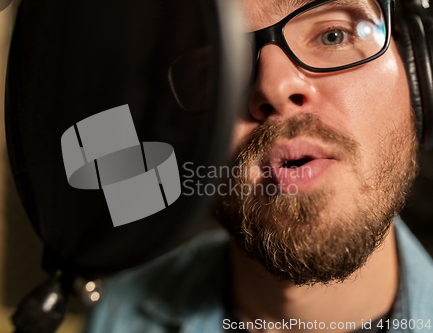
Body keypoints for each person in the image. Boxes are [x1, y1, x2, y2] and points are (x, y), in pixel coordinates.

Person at [85, 0, 433, 332]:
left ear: (417, 71)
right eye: (216, 70)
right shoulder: (114, 316)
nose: (274, 87)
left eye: (333, 35)